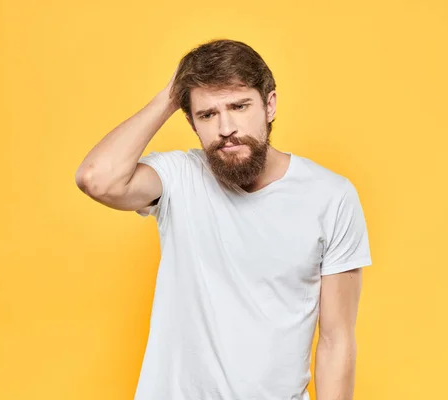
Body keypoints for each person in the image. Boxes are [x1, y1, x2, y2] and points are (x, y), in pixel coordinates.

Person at [76, 38, 372, 400]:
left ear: (270, 105)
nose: (226, 127)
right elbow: (97, 179)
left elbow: (335, 340)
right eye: (207, 114)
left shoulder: (330, 197)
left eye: (239, 105)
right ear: (190, 121)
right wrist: (172, 94)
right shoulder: (179, 177)